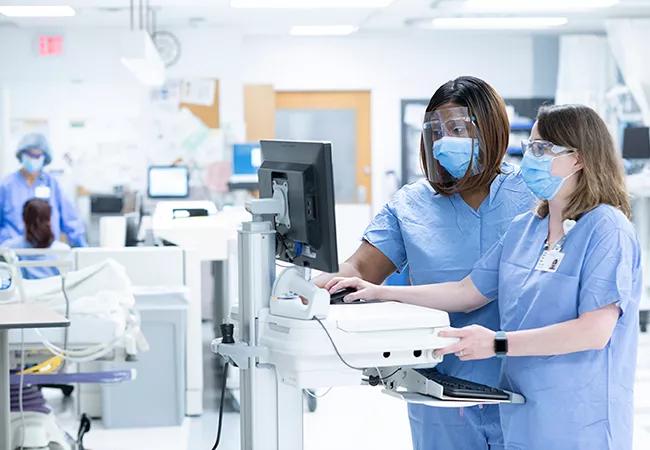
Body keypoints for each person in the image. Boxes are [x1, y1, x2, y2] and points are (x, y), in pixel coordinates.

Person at [327, 104, 641, 450]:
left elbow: (595, 331)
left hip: (580, 422)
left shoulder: (606, 228)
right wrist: (379, 292)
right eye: (530, 147)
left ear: (579, 159)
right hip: (523, 412)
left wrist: (496, 343)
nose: (529, 158)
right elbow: (466, 292)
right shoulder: (526, 229)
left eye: (542, 149)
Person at [314, 76, 536, 450]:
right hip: (440, 386)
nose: (442, 140)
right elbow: (360, 270)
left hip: (521, 383)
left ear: (491, 130)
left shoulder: (530, 198)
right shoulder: (411, 205)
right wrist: (318, 281)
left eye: (456, 128)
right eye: (434, 131)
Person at [0, 133, 86, 247]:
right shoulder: (6, 186)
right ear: (21, 155)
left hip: (48, 253)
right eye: (30, 154)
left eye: (38, 156)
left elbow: (71, 221)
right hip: (13, 255)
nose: (33, 159)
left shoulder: (52, 184)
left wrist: (83, 249)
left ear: (45, 158)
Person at [2, 198, 71, 279]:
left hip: (23, 290)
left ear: (24, 220)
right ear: (49, 220)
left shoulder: (8, 248)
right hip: (55, 291)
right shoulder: (62, 250)